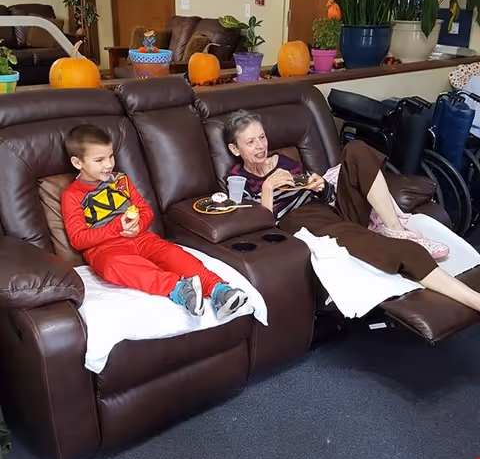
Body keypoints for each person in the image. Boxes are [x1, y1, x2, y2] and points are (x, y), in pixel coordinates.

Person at [226, 109, 480, 313]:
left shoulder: (284, 161)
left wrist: (321, 186)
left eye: (262, 137)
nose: (260, 145)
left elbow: (325, 196)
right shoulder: (238, 180)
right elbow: (262, 228)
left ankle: (394, 228)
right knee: (399, 252)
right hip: (303, 221)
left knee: (357, 148)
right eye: (250, 142)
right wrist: (268, 187)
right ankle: (473, 300)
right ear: (235, 150)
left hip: (329, 209)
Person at [61, 125, 248, 320]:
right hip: (106, 250)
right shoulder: (72, 195)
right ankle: (178, 289)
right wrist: (117, 228)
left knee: (174, 254)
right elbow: (78, 239)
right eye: (99, 160)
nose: (108, 164)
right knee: (113, 266)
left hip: (141, 239)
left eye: (111, 156)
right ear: (77, 162)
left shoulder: (121, 180)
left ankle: (219, 290)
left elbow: (145, 211)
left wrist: (137, 226)